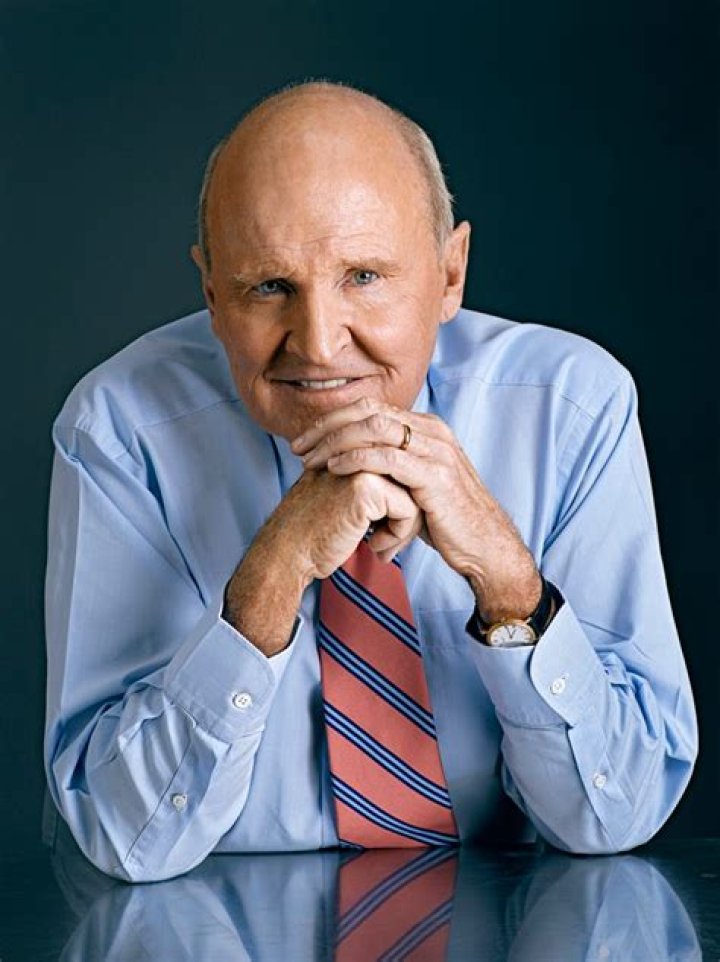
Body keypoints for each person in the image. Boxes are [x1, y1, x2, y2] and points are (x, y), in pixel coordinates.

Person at [44, 81, 697, 882]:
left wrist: (508, 583)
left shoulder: (571, 409)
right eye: (269, 287)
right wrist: (271, 578)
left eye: (363, 276)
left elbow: (616, 813)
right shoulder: (120, 431)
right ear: (211, 292)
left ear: (450, 274)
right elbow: (121, 832)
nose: (319, 345)